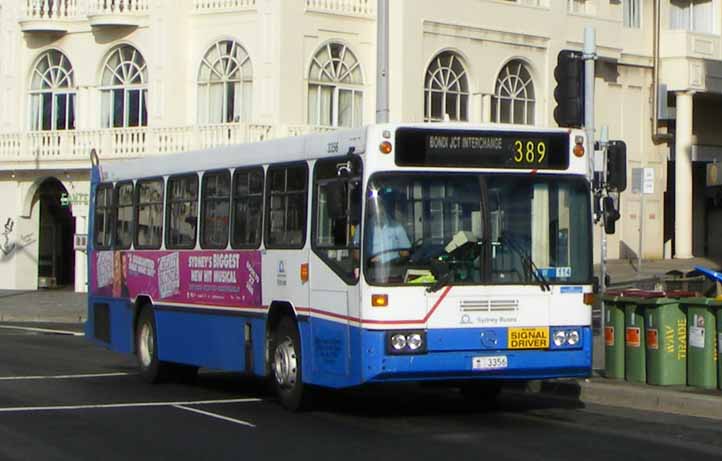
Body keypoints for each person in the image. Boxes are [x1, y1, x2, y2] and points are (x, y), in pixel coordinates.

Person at [367, 197, 411, 264]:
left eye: (381, 206)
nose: (379, 210)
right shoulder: (363, 229)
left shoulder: (397, 227)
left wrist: (401, 259)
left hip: (394, 268)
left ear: (384, 208)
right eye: (375, 207)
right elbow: (357, 253)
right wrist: (367, 261)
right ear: (370, 210)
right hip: (370, 269)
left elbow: (405, 253)